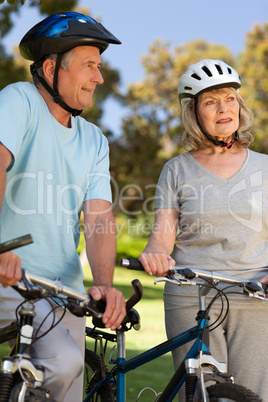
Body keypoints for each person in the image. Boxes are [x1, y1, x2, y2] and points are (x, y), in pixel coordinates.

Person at [0, 11, 126, 401]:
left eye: (100, 67)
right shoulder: (18, 100)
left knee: (68, 383)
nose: (99, 78)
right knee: (64, 363)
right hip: (10, 277)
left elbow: (100, 217)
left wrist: (104, 284)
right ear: (52, 67)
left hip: (63, 293)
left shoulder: (94, 140)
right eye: (90, 66)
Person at [139, 59, 268, 401]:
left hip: (255, 295)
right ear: (194, 113)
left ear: (239, 106)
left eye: (229, 99)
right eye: (211, 102)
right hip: (190, 293)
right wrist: (154, 254)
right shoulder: (177, 170)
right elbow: (162, 235)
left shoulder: (265, 167)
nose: (223, 108)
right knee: (201, 395)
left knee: (252, 395)